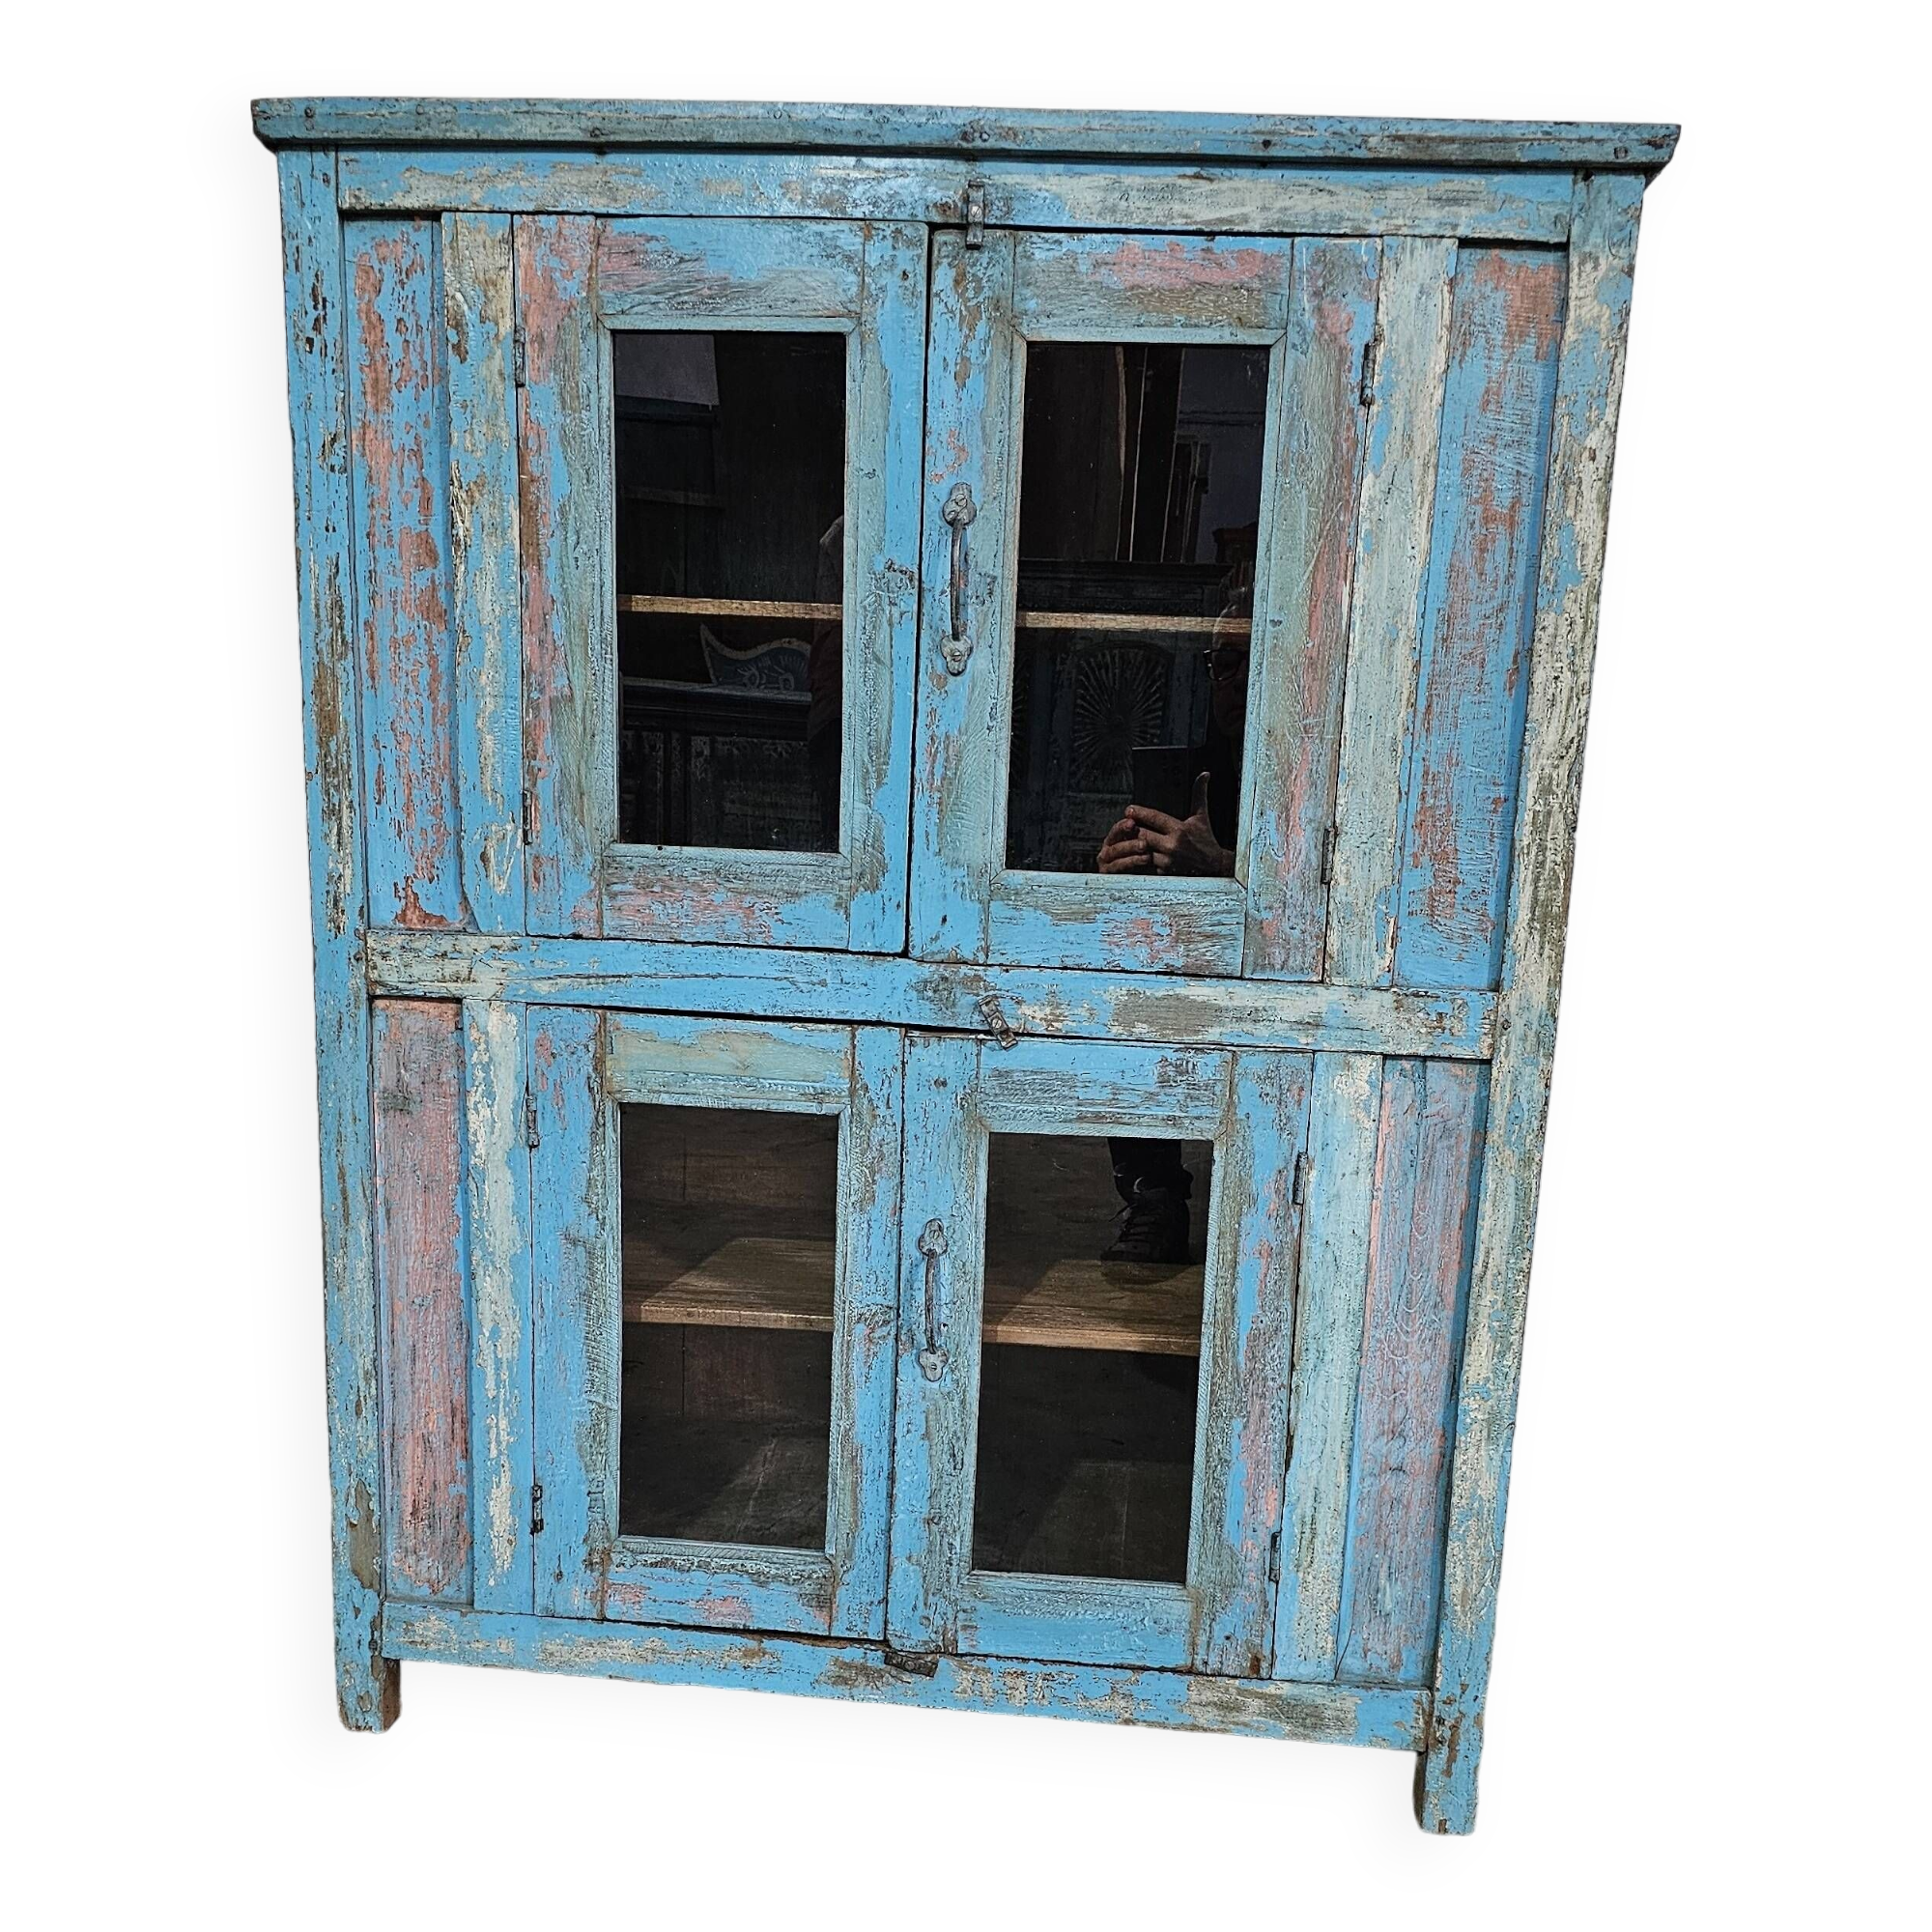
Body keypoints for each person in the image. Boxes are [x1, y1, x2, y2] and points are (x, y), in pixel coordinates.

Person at [1094, 589, 1250, 1263]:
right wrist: (1116, 867)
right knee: (1124, 963)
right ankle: (1154, 1197)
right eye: (1223, 664)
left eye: (1249, 661)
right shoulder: (1197, 759)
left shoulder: (1319, 756)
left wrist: (1223, 866)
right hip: (1195, 957)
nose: (1235, 680)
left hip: (1283, 963)